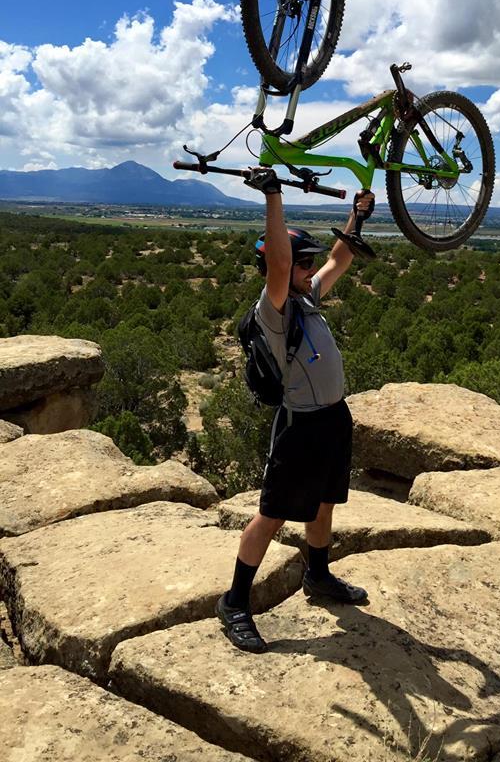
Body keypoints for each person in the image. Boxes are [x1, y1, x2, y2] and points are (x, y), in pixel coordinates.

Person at [216, 166, 375, 653]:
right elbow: (282, 267)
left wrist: (357, 218)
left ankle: (319, 576)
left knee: (325, 503)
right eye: (302, 263)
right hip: (299, 426)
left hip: (332, 418)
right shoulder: (275, 305)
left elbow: (339, 260)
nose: (309, 269)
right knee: (272, 515)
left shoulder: (307, 298)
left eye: (307, 263)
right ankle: (235, 601)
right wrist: (273, 195)